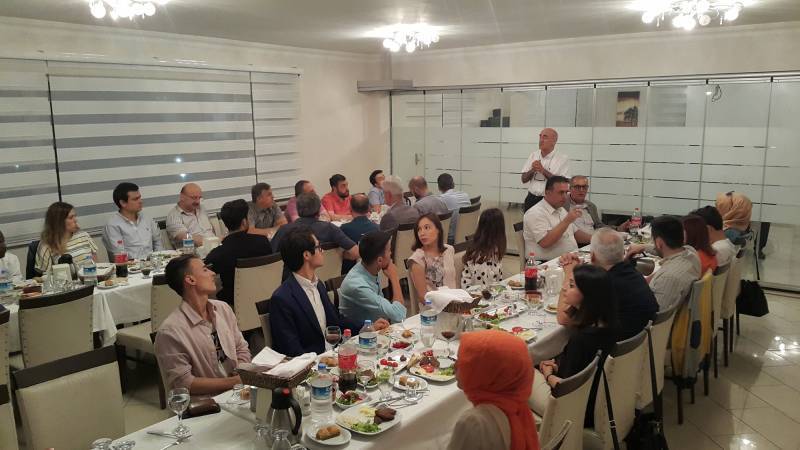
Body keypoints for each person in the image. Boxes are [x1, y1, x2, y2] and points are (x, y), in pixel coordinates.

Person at [269, 228, 384, 356]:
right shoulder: (282, 299)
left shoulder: (318, 285)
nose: (322, 251)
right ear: (306, 255)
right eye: (319, 247)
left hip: (331, 353)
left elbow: (335, 320)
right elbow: (291, 349)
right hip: (311, 362)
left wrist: (367, 327)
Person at [530, 264, 618, 427]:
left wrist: (548, 374)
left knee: (519, 369)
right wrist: (558, 366)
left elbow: (564, 387)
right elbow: (579, 368)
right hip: (596, 397)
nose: (565, 289)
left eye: (571, 286)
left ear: (587, 295)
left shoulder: (582, 339)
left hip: (573, 408)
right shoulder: (608, 324)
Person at [154, 254, 251, 397]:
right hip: (206, 403)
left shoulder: (222, 309)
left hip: (238, 393)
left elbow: (241, 348)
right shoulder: (170, 332)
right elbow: (184, 383)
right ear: (190, 280)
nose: (212, 273)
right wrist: (233, 382)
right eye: (205, 270)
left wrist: (240, 371)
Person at [448, 329, 540, 450]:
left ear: (485, 372)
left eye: (462, 360)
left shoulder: (475, 423)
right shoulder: (518, 408)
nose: (454, 365)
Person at [561, 227, 658, 341]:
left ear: (592, 256)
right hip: (644, 341)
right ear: (623, 252)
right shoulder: (632, 272)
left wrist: (569, 274)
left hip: (615, 346)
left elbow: (564, 319)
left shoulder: (605, 284)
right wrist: (581, 273)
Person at [270, 193, 359, 278]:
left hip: (292, 281)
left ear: (297, 209)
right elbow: (356, 252)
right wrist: (340, 255)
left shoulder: (284, 230)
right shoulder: (330, 228)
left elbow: (271, 260)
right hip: (328, 280)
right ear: (319, 210)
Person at [204, 199, 273, 307]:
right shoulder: (263, 242)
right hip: (266, 299)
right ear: (244, 222)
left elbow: (206, 268)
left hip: (235, 303)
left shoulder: (219, 253)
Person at [627, 216, 701, 310]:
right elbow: (665, 249)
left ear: (658, 242)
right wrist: (643, 247)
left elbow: (656, 314)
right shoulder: (691, 253)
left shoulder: (667, 278)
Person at [339, 231, 407, 324]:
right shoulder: (358, 286)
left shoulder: (369, 268)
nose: (391, 253)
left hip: (376, 326)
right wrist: (394, 277)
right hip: (360, 332)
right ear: (379, 260)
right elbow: (399, 315)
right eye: (389, 250)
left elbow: (393, 314)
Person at [523, 176, 591, 261]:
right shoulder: (535, 213)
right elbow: (545, 242)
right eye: (561, 192)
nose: (565, 196)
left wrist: (596, 239)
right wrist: (567, 221)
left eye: (566, 192)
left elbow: (576, 233)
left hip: (569, 258)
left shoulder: (560, 209)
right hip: (545, 263)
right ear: (547, 192)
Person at [103, 182, 163, 260]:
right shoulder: (113, 225)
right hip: (132, 265)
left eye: (140, 197)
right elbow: (119, 254)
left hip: (155, 262)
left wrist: (159, 258)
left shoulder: (147, 218)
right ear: (123, 203)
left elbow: (157, 242)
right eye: (135, 199)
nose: (140, 201)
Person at [35, 202, 98, 274]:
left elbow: (96, 265)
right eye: (71, 217)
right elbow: (46, 276)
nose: (75, 220)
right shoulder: (46, 245)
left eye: (75, 216)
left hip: (90, 278)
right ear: (58, 222)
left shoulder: (84, 236)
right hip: (64, 280)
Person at [408, 214, 458, 301]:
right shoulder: (417, 259)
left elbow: (452, 282)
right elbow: (423, 298)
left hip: (455, 302)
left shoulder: (449, 250)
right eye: (419, 230)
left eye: (427, 228)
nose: (422, 233)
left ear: (438, 230)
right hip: (433, 307)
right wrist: (434, 306)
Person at [521, 128, 570, 212]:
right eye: (540, 137)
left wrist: (543, 170)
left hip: (549, 201)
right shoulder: (533, 155)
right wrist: (532, 170)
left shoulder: (562, 159)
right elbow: (523, 179)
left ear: (554, 141)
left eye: (545, 137)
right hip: (531, 198)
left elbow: (563, 183)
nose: (541, 140)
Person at [461, 208, 505, 289]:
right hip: (474, 294)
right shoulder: (480, 257)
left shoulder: (494, 252)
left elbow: (498, 283)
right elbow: (485, 288)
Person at [165, 183, 215, 248]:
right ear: (182, 197)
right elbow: (187, 238)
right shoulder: (174, 216)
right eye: (194, 198)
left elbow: (211, 230)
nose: (198, 202)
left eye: (199, 198)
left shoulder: (201, 208)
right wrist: (215, 242)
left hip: (214, 247)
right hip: (194, 252)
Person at [563, 175, 601, 242]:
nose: (581, 190)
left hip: (593, 243)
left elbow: (599, 225)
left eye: (584, 187)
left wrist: (617, 229)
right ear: (570, 188)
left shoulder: (591, 206)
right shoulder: (563, 205)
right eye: (577, 187)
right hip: (575, 243)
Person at [437, 173, 472, 244]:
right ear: (453, 184)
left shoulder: (441, 199)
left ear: (439, 187)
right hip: (468, 237)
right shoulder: (465, 195)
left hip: (450, 240)